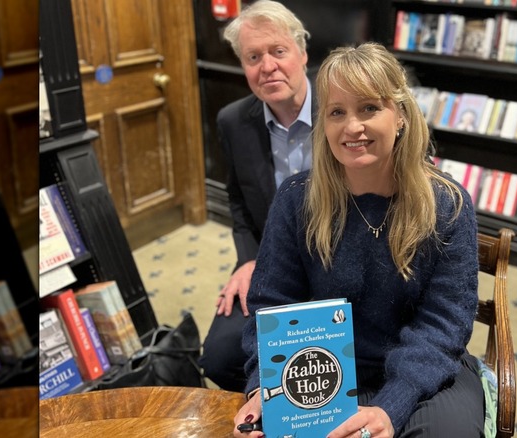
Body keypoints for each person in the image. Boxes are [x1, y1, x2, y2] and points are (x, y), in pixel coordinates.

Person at [233, 42, 484, 438]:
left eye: (369, 108)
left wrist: (392, 405)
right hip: (319, 370)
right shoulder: (297, 199)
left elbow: (444, 324)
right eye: (337, 112)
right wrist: (265, 388)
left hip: (420, 373)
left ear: (400, 115)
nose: (352, 127)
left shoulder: (447, 204)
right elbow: (272, 306)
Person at [199, 0, 315, 392]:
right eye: (253, 56)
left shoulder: (343, 108)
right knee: (218, 358)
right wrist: (249, 259)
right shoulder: (232, 121)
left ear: (301, 52)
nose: (267, 66)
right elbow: (237, 201)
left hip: (343, 262)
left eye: (278, 51)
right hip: (272, 263)